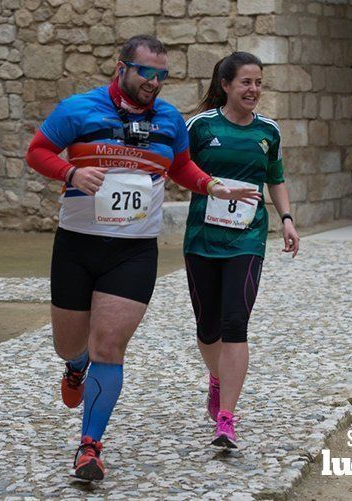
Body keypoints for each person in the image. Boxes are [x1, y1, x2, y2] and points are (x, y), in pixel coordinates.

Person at [25, 35, 261, 481]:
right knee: (70, 345)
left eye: (161, 75)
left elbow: (181, 168)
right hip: (77, 245)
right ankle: (75, 367)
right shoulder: (79, 109)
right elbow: (36, 152)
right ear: (122, 68)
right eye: (146, 72)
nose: (153, 82)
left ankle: (90, 446)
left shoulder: (169, 119)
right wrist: (72, 171)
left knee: (109, 346)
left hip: (133, 250)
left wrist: (212, 186)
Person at [183, 52, 300, 449]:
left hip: (247, 240)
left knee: (235, 323)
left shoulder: (268, 131)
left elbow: (276, 178)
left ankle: (227, 418)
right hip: (202, 239)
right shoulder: (199, 126)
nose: (254, 90)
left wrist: (286, 218)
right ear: (226, 85)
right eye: (246, 83)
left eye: (259, 83)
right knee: (207, 327)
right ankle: (216, 379)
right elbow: (179, 168)